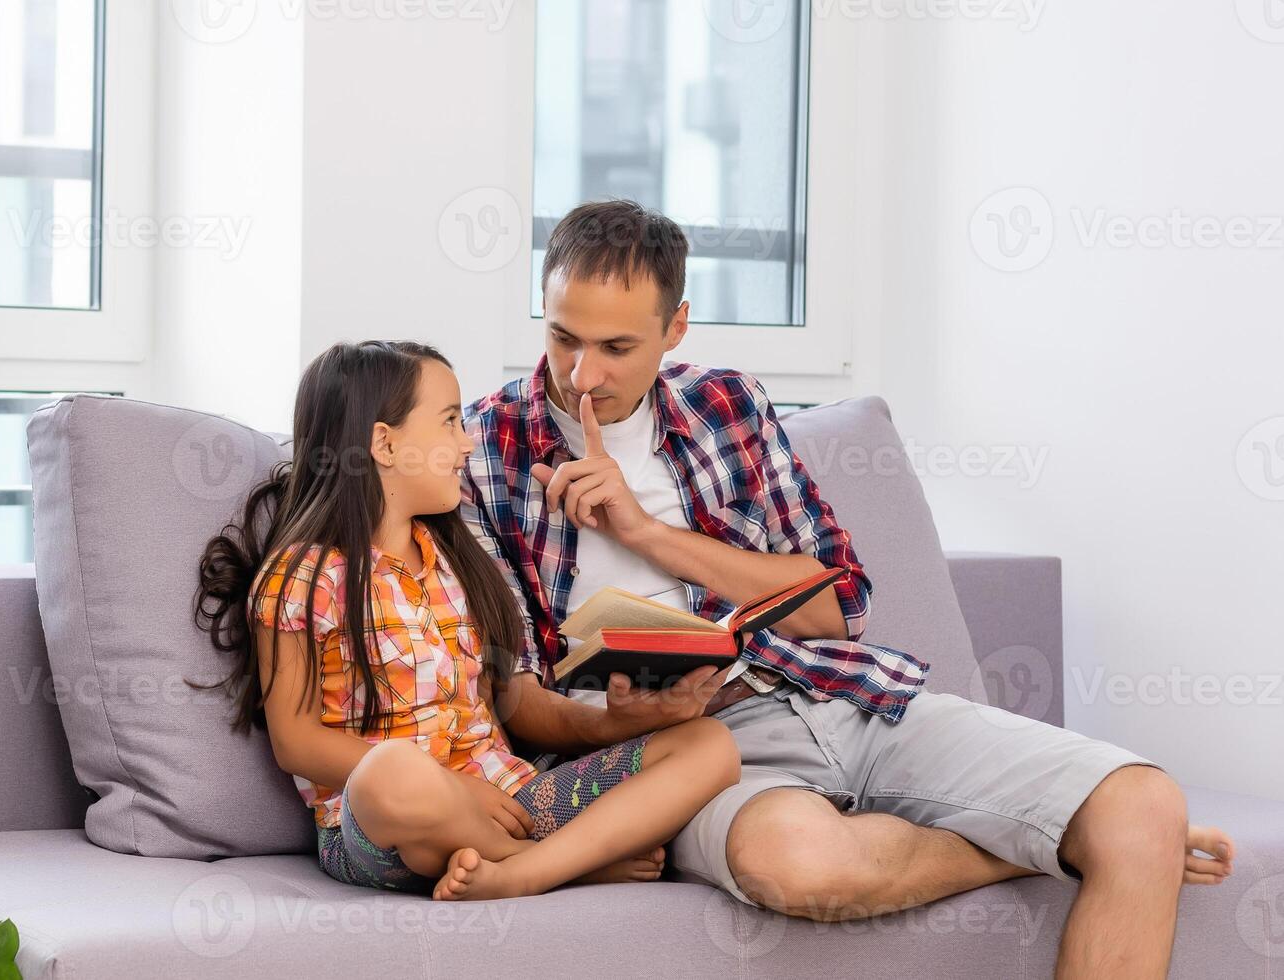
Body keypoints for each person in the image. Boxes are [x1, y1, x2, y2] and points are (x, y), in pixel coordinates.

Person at [458, 199, 1235, 975]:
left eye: (616, 346)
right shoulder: (483, 449)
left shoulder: (725, 406)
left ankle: (1079, 829)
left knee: (1142, 809)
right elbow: (513, 695)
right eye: (562, 336)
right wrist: (618, 723)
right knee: (804, 863)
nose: (581, 374)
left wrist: (647, 534)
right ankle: (1047, 838)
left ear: (676, 327)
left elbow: (840, 603)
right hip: (675, 752)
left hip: (825, 694)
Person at [194, 339, 741, 901]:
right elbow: (296, 743)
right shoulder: (303, 575)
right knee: (393, 773)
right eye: (450, 422)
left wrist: (613, 725)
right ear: (384, 443)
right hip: (384, 827)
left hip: (505, 800)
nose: (467, 441)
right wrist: (452, 789)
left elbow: (492, 708)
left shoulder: (454, 557)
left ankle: (524, 869)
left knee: (709, 745)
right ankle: (559, 866)